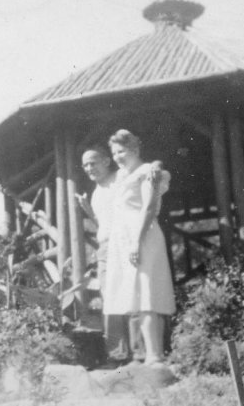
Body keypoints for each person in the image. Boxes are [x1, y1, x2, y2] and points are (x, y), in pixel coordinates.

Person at [104, 129, 175, 366]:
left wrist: (136, 240)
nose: (117, 157)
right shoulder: (122, 176)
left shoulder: (147, 172)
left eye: (122, 151)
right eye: (114, 153)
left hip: (143, 236)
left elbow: (148, 207)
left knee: (148, 294)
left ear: (135, 149)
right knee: (136, 296)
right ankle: (150, 354)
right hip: (125, 239)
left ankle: (155, 355)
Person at [76, 145, 130, 361]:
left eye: (93, 162)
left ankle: (140, 352)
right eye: (86, 165)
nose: (89, 168)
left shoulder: (121, 178)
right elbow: (102, 224)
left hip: (125, 244)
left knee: (132, 295)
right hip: (106, 247)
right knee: (110, 298)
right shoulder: (96, 193)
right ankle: (117, 354)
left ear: (107, 161)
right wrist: (87, 208)